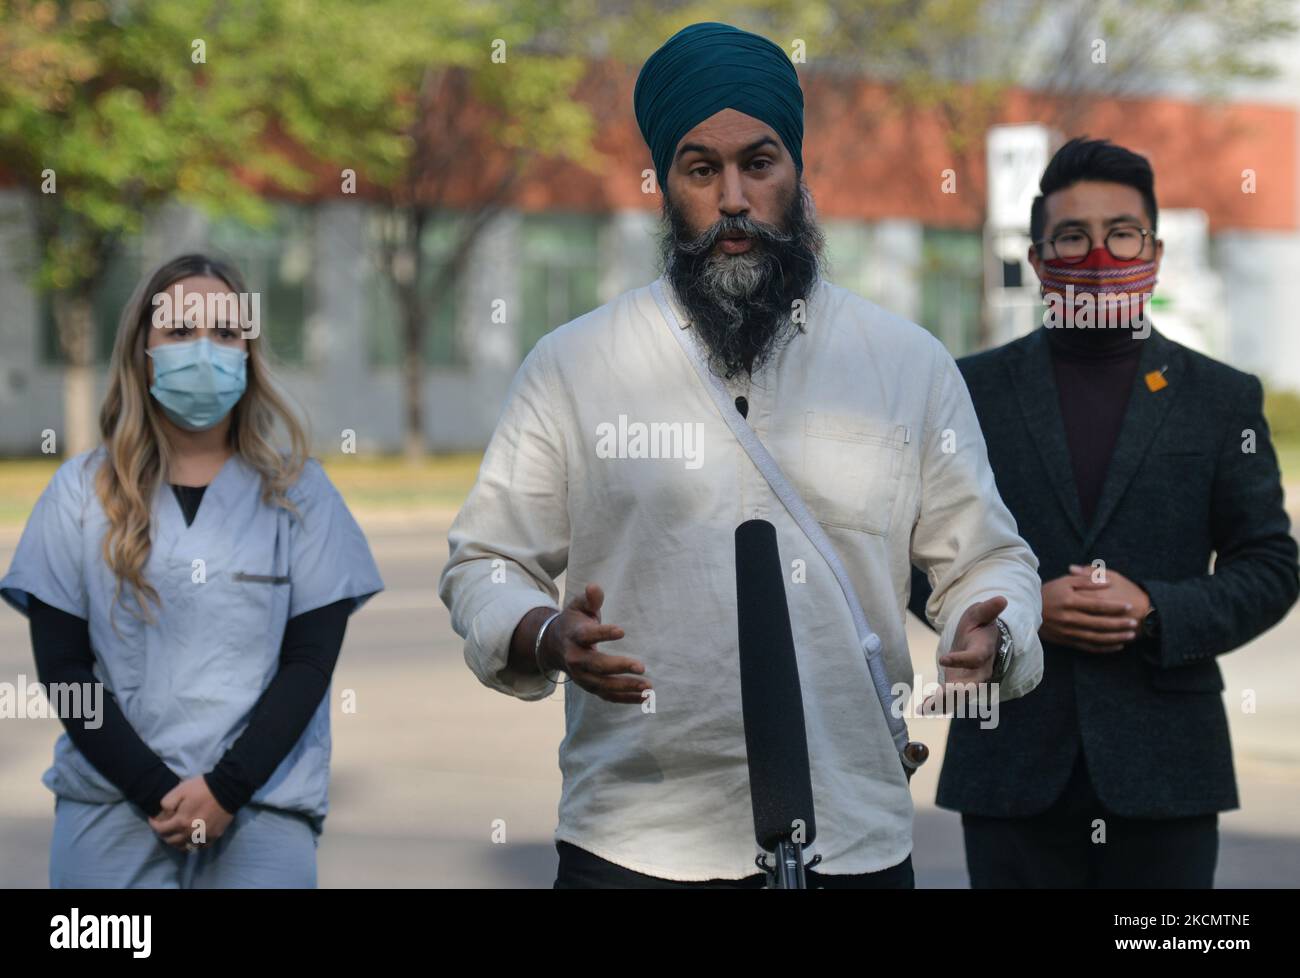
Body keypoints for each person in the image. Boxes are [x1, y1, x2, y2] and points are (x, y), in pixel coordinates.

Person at [439, 21, 1044, 888]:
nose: (733, 198)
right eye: (701, 169)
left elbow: (987, 558)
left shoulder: (904, 363)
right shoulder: (576, 365)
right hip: (636, 839)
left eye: (758, 164)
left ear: (795, 173)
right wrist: (540, 632)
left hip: (857, 836)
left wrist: (996, 629)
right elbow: (486, 562)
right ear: (667, 186)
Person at [909, 137, 1300, 888]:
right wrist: (1016, 614)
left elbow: (1272, 567)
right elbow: (911, 556)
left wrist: (1156, 609)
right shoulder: (968, 390)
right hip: (1011, 763)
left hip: (1169, 770)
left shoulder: (1221, 400)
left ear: (1154, 250)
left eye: (1121, 233)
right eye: (1072, 236)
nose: (1098, 254)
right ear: (1036, 257)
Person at [0, 253, 384, 888]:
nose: (203, 351)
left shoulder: (301, 494)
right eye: (180, 331)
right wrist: (154, 790)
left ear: (248, 351)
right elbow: (63, 668)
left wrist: (226, 790)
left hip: (261, 809)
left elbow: (310, 664)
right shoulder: (78, 492)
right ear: (141, 348)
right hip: (111, 812)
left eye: (225, 333)